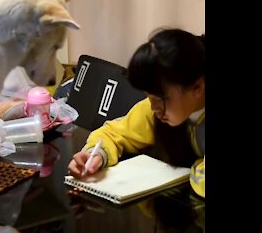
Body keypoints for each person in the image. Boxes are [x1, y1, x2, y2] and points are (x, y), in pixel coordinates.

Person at [67, 28, 205, 198]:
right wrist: (95, 155)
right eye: (149, 95)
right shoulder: (155, 109)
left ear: (197, 88)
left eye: (161, 98)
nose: (154, 107)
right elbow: (115, 133)